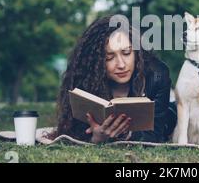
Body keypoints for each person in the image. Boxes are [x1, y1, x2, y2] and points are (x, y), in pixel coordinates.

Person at [53, 15, 177, 143]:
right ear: (96, 62)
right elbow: (75, 132)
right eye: (109, 57)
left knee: (173, 112)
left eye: (127, 53)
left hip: (168, 114)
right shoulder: (86, 81)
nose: (121, 65)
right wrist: (97, 138)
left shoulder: (157, 75)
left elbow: (154, 136)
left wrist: (123, 135)